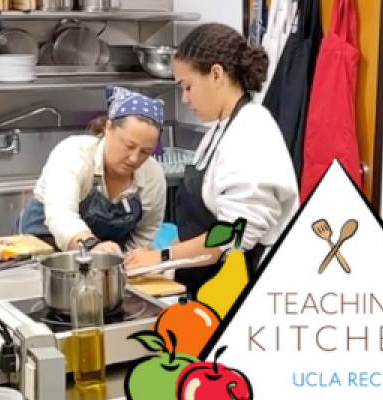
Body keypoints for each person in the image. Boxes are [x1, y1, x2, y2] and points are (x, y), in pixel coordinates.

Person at [124, 23, 299, 296]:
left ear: (216, 74)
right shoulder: (221, 129)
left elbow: (234, 235)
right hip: (206, 287)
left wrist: (163, 258)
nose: (184, 98)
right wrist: (158, 258)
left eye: (188, 86)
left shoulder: (252, 130)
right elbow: (199, 222)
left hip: (243, 292)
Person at [14, 86, 167, 254]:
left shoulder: (152, 175)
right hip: (41, 250)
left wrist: (127, 263)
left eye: (146, 151)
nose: (134, 158)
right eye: (129, 146)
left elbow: (145, 233)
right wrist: (91, 246)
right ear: (108, 128)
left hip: (103, 263)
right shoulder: (74, 153)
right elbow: (61, 214)